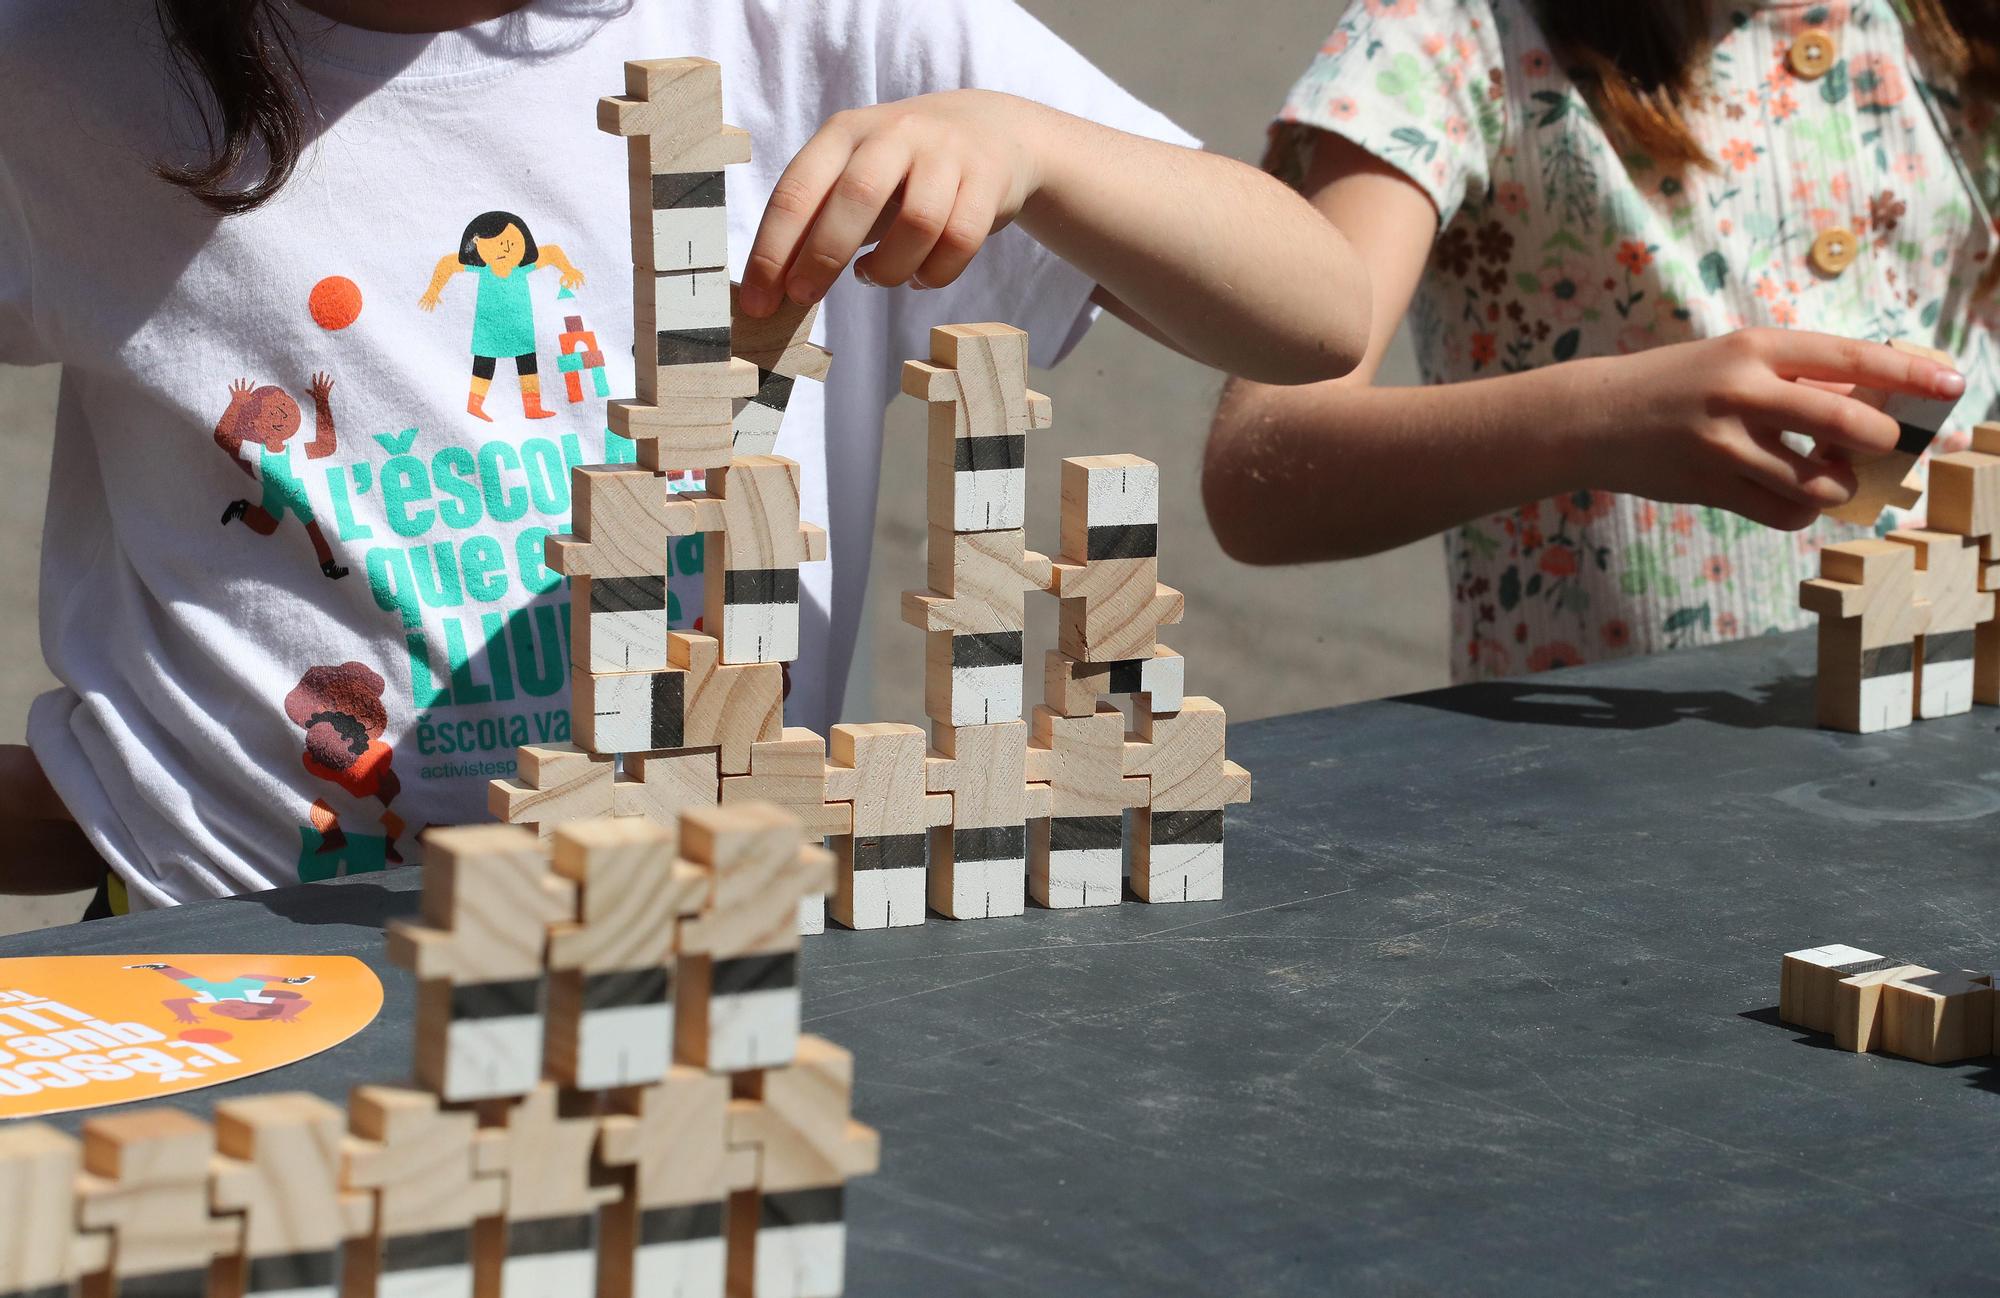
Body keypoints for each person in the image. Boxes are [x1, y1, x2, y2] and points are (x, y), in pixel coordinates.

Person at [0, 0, 1369, 909]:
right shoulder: (70, 61)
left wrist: (1030, 150)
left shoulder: (818, 26)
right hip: (240, 942)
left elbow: (1314, 308)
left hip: (710, 918)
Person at [1205, 0, 1986, 682]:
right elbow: (1257, 475)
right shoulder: (1456, 30)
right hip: (1603, 804)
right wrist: (1603, 421)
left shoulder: (1958, 26)